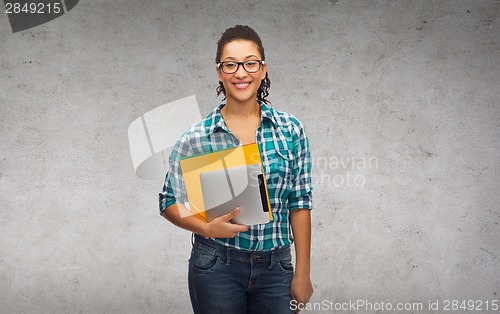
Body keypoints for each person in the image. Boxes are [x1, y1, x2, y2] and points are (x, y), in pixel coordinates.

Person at [159, 25, 313, 314]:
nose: (241, 73)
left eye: (250, 63)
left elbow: (300, 202)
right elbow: (168, 200)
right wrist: (205, 226)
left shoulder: (290, 130)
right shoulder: (197, 137)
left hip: (276, 267)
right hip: (217, 264)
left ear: (263, 69)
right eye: (230, 65)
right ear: (219, 72)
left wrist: (302, 273)